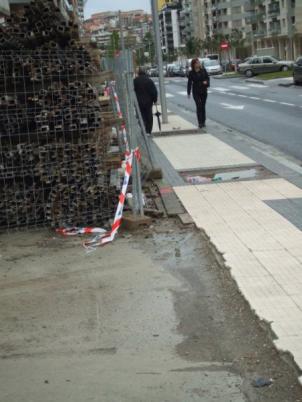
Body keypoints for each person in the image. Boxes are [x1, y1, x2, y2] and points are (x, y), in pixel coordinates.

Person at [134, 67, 158, 135]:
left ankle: (143, 128)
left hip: (139, 101)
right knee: (149, 115)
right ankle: (148, 131)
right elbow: (154, 91)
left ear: (138, 73)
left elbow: (132, 91)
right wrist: (155, 100)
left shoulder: (135, 81)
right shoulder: (149, 80)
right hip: (148, 102)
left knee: (141, 115)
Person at [187, 58, 210, 129]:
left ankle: (203, 121)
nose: (198, 64)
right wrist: (188, 92)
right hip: (196, 91)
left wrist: (206, 82)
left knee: (203, 106)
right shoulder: (191, 73)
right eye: (197, 63)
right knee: (198, 105)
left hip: (203, 91)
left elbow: (207, 78)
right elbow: (189, 83)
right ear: (194, 64)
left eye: (199, 62)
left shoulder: (203, 70)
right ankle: (200, 122)